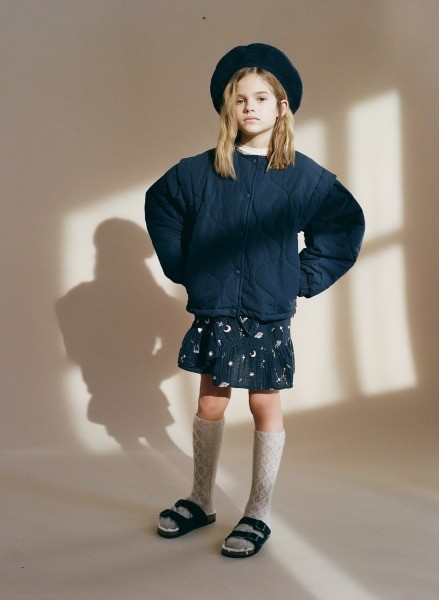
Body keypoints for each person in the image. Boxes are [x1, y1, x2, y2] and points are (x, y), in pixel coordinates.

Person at [144, 43, 365, 558]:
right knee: (210, 401)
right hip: (216, 308)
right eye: (240, 99)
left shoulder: (304, 176)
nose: (250, 107)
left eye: (261, 98)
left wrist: (298, 279)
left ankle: (257, 510)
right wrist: (185, 268)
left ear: (281, 107)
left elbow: (343, 228)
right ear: (229, 108)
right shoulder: (200, 171)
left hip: (267, 310)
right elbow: (162, 205)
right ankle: (201, 500)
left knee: (264, 403)